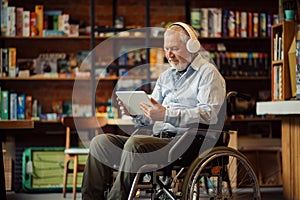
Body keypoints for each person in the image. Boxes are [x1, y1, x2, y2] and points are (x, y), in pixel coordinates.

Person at [81, 22, 226, 200]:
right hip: (160, 140)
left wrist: (166, 115)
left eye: (174, 48)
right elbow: (152, 115)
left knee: (135, 144)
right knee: (100, 143)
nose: (169, 55)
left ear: (192, 46)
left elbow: (209, 114)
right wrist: (136, 112)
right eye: (166, 49)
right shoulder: (166, 76)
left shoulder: (208, 73)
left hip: (188, 143)